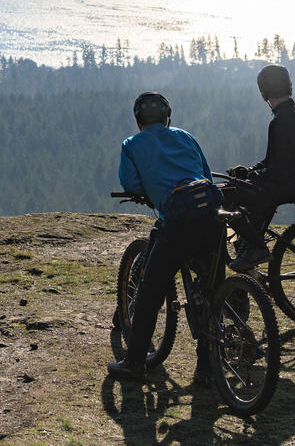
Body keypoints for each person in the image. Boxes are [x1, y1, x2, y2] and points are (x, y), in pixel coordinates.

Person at [107, 92, 224, 382]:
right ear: (167, 117)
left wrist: (149, 189)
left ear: (138, 120)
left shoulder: (132, 145)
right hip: (211, 217)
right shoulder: (186, 136)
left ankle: (134, 362)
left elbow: (131, 182)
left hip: (177, 223)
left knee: (150, 292)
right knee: (213, 290)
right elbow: (206, 173)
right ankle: (207, 368)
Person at [225, 64, 295, 272]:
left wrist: (253, 177)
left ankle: (255, 249)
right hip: (294, 182)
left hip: (285, 184)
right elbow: (273, 161)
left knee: (227, 195)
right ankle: (246, 245)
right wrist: (248, 172)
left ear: (263, 91)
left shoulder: (281, 121)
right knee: (240, 190)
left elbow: (278, 168)